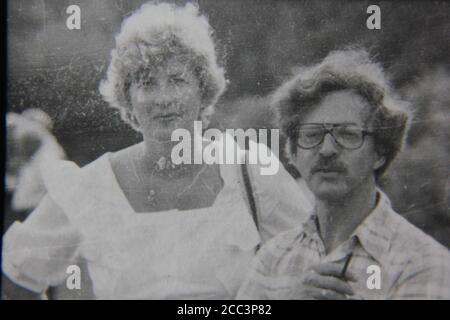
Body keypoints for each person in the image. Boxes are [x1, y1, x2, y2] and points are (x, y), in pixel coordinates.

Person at [2, 2, 312, 300]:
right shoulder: (89, 186)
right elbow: (16, 276)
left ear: (203, 93)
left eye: (177, 80)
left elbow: (316, 263)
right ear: (128, 100)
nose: (163, 98)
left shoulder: (251, 171)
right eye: (147, 83)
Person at [237, 48, 450, 299]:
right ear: (293, 153)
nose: (326, 149)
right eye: (312, 135)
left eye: (348, 134)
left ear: (380, 152)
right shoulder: (272, 258)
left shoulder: (422, 264)